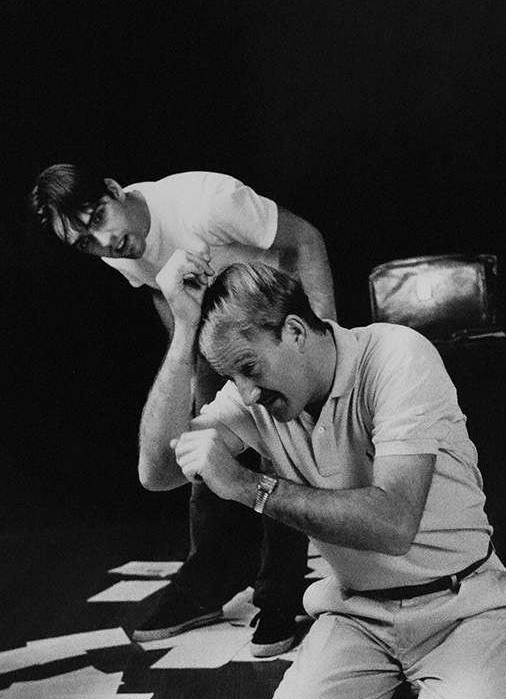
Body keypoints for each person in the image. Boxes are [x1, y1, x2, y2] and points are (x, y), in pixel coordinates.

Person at [138, 250, 506, 699]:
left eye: (248, 369)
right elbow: (155, 473)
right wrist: (183, 332)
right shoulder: (259, 396)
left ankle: (485, 682)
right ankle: (410, 695)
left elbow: (394, 523)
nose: (245, 393)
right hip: (355, 612)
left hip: (460, 607)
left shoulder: (396, 355)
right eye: (230, 377)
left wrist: (252, 487)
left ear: (294, 331)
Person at [29, 164, 336, 656]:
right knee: (197, 445)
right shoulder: (114, 249)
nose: (105, 240)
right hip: (218, 332)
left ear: (114, 189)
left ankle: (281, 593)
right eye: (84, 241)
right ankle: (209, 579)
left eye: (99, 217)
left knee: (281, 447)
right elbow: (159, 289)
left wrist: (323, 338)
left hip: (280, 330)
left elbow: (307, 240)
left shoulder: (205, 201)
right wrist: (190, 361)